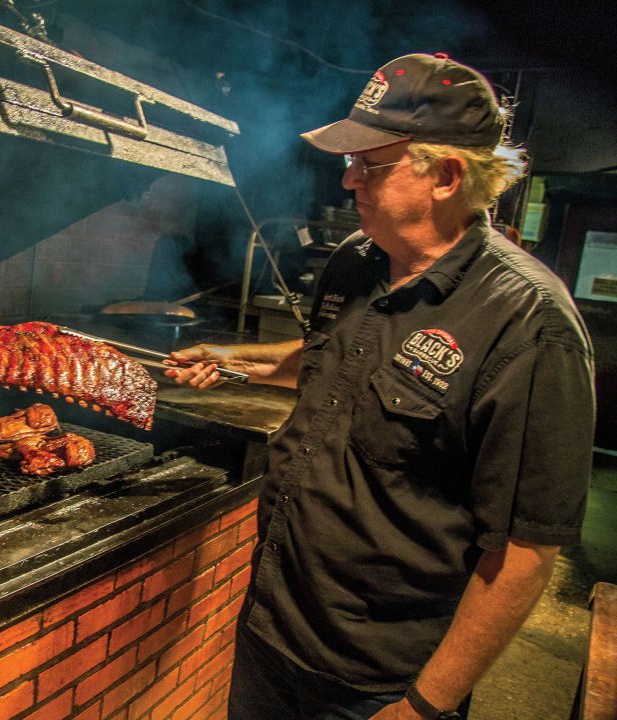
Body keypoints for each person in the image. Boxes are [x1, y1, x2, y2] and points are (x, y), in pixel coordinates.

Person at [165, 53, 595, 720]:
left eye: (372, 163)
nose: (347, 178)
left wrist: (425, 704)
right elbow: (327, 357)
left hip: (379, 681)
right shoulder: (355, 263)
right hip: (272, 630)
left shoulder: (529, 323)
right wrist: (232, 360)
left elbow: (524, 550)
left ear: (448, 175)